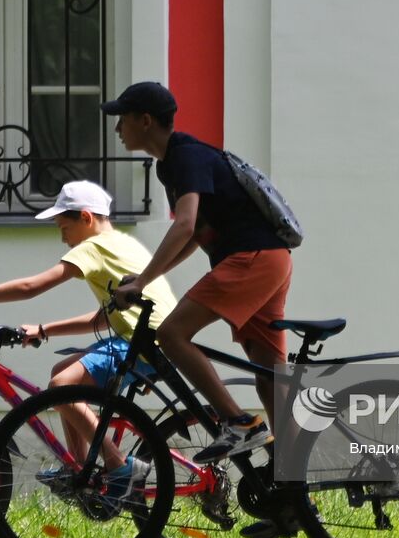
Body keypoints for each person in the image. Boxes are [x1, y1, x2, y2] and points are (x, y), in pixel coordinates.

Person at [0, 179, 178, 504]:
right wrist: (44, 329)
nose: (61, 237)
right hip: (150, 339)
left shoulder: (93, 248)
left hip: (141, 341)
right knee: (63, 372)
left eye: (63, 226)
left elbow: (31, 287)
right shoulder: (123, 244)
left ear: (85, 217)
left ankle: (119, 466)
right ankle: (81, 469)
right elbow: (102, 319)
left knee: (60, 387)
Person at [104, 81, 293, 464]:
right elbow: (197, 234)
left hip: (252, 259)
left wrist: (142, 281)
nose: (117, 129)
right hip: (268, 259)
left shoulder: (185, 157)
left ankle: (239, 422)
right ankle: (292, 490)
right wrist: (146, 279)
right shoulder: (168, 166)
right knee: (270, 379)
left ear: (145, 121)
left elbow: (185, 225)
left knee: (172, 334)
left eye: (121, 119)